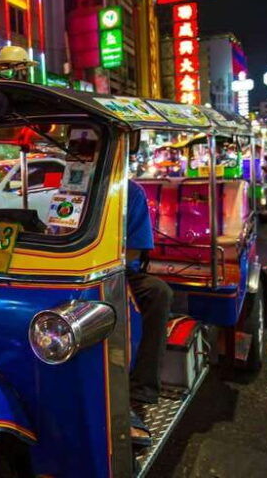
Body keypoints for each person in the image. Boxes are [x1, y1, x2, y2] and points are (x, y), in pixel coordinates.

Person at [125, 179, 172, 448]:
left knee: (158, 293)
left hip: (115, 270)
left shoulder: (130, 191)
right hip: (65, 270)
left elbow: (134, 249)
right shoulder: (65, 185)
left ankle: (139, 393)